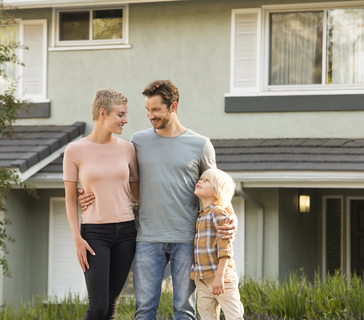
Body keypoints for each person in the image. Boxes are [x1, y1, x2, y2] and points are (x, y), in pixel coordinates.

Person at [78, 80, 237, 320]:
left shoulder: (200, 144)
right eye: (147, 110)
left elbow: (217, 187)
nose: (150, 116)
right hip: (147, 239)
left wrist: (230, 217)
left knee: (184, 310)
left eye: (156, 110)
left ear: (173, 106)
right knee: (143, 311)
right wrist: (87, 192)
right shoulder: (138, 141)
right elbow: (117, 173)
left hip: (186, 239)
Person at [63, 89, 139, 320]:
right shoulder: (74, 150)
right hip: (94, 233)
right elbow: (70, 198)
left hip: (126, 232)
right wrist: (77, 238)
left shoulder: (128, 148)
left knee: (110, 306)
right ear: (103, 113)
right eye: (121, 114)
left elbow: (137, 192)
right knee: (97, 307)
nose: (126, 120)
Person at [191, 169, 244, 320]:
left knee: (234, 316)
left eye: (206, 181)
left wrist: (219, 276)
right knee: (207, 316)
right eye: (200, 179)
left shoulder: (219, 213)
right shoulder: (200, 215)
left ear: (217, 192)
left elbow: (225, 247)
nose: (200, 181)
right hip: (202, 278)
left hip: (221, 276)